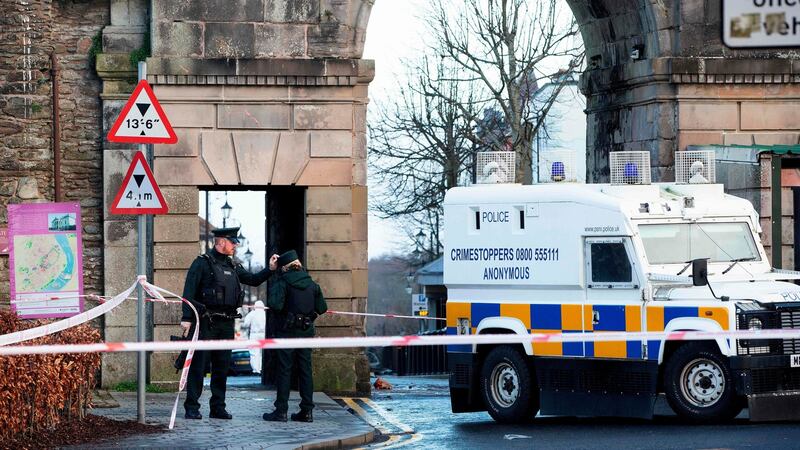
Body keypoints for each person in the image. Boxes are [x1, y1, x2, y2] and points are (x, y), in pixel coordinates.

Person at [180, 226, 278, 420]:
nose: (236, 245)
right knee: (199, 366)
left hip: (226, 323)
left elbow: (253, 279)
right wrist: (187, 319)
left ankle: (218, 407)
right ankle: (192, 406)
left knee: (221, 366)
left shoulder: (232, 265)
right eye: (233, 242)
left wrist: (270, 269)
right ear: (222, 242)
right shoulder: (202, 263)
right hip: (206, 322)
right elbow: (188, 292)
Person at [263, 250, 327, 423]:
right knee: (305, 371)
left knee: (284, 370)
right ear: (298, 264)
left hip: (286, 333)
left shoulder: (283, 282)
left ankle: (281, 411)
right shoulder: (312, 284)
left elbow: (275, 304)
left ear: (285, 267)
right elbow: (322, 308)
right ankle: (307, 411)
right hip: (306, 333)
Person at [242, 300, 266, 374]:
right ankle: (261, 368)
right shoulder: (265, 314)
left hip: (254, 335)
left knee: (254, 352)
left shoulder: (252, 313)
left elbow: (245, 324)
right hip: (264, 334)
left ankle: (256, 370)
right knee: (262, 353)